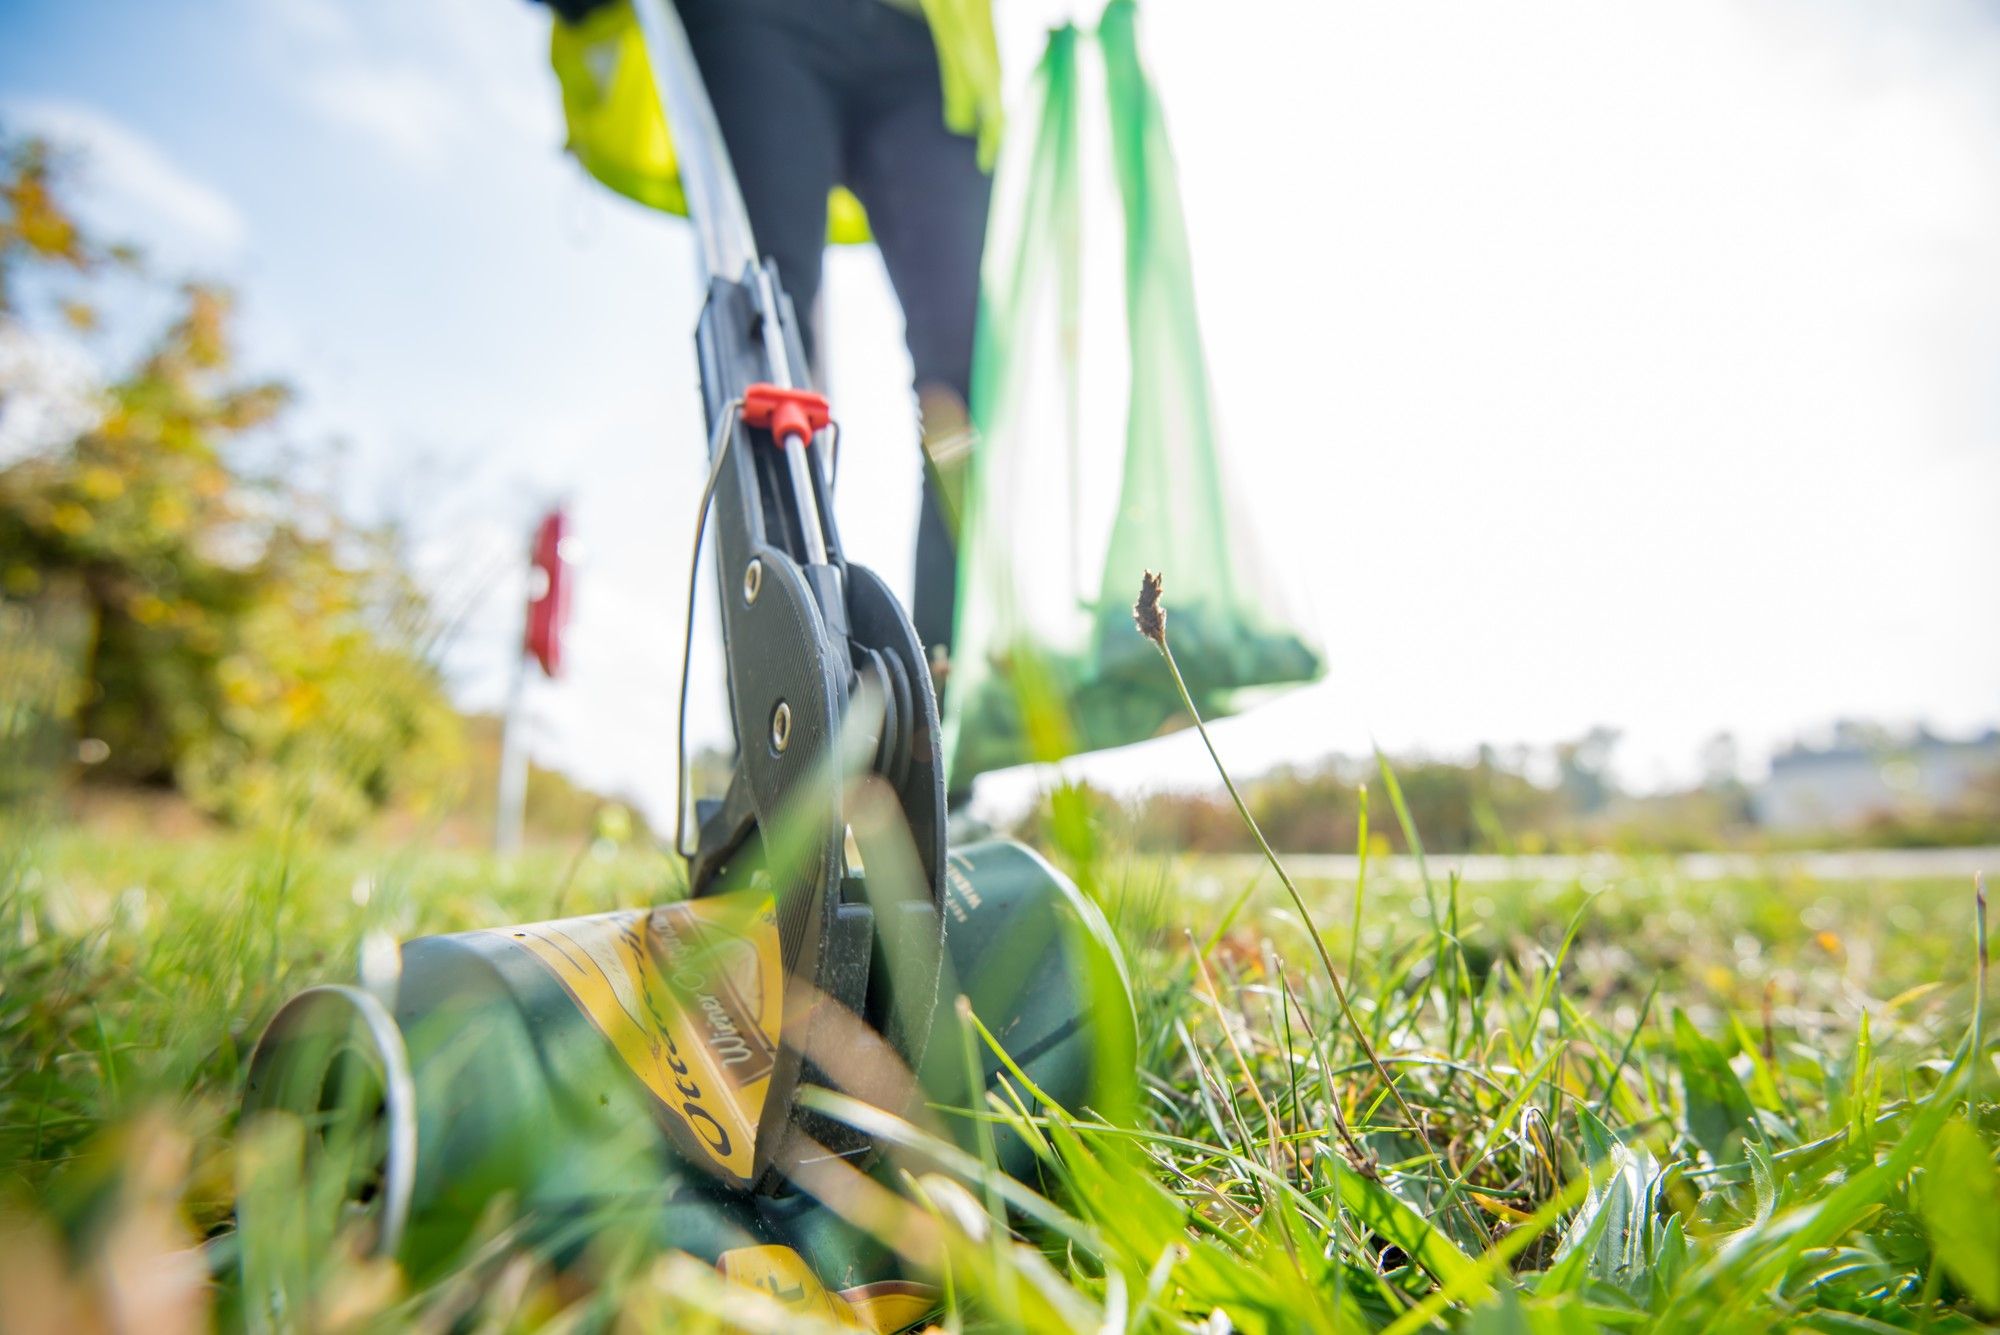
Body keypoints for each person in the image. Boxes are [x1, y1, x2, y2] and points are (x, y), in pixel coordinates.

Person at [533, 0, 999, 688]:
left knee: (972, 379)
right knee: (770, 354)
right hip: (756, 18)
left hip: (924, 42)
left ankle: (944, 708)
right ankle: (791, 704)